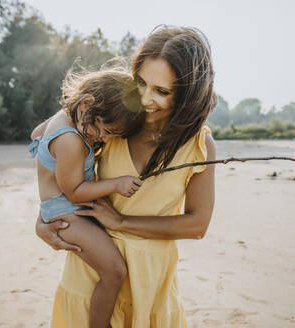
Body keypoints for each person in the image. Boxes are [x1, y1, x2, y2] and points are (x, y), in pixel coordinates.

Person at [35, 26, 217, 327]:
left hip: (151, 284)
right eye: (141, 84)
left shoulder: (199, 145)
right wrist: (42, 222)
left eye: (162, 91)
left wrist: (122, 222)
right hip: (89, 281)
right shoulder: (111, 128)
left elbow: (197, 224)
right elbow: (57, 168)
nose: (146, 99)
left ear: (188, 95)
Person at [29, 68, 145, 328]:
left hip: (59, 207)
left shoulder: (63, 117)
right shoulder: (71, 140)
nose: (103, 138)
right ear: (87, 103)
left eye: (111, 136)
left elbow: (35, 135)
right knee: (115, 271)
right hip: (66, 213)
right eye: (103, 129)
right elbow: (74, 191)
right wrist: (116, 184)